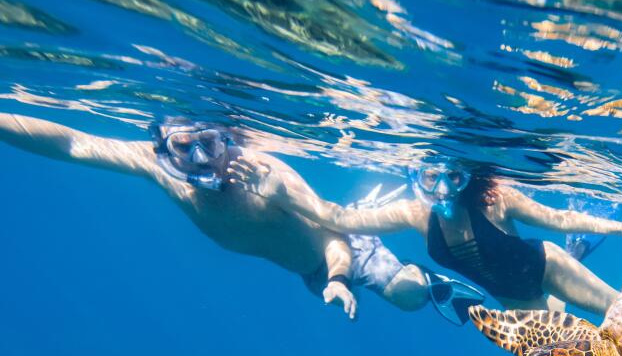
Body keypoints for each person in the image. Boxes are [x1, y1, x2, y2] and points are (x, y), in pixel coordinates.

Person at [0, 113, 481, 323]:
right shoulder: (153, 166)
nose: (203, 160)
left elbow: (332, 233)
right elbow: (71, 143)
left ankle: (434, 280)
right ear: (164, 146)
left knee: (405, 298)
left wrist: (338, 277)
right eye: (186, 148)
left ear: (226, 140)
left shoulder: (262, 172)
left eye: (211, 144)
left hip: (342, 252)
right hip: (309, 271)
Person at [227, 154, 622, 316]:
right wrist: (280, 194)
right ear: (416, 177)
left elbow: (560, 217)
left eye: (454, 178)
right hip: (512, 293)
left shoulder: (497, 201)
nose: (443, 190)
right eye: (431, 179)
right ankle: (583, 255)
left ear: (469, 178)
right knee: (555, 351)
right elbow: (340, 218)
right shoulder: (413, 213)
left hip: (544, 265)